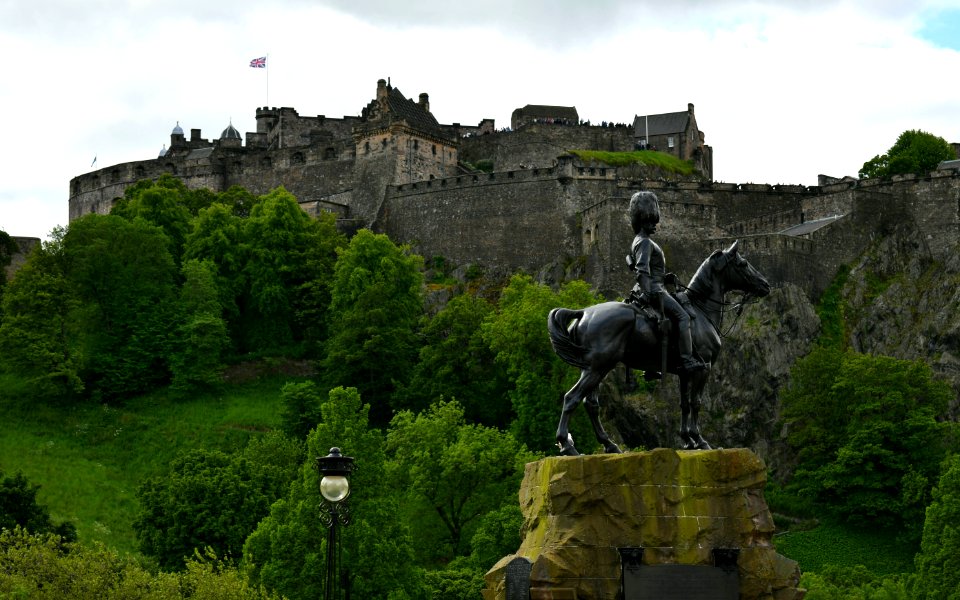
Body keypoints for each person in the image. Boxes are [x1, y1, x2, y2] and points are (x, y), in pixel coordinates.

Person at [625, 191, 705, 373]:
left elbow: (650, 270)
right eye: (651, 221)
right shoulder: (645, 242)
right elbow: (642, 270)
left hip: (654, 286)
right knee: (684, 317)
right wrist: (648, 293)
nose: (655, 224)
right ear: (643, 220)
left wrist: (665, 277)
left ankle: (655, 365)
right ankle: (686, 360)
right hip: (655, 291)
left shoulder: (639, 241)